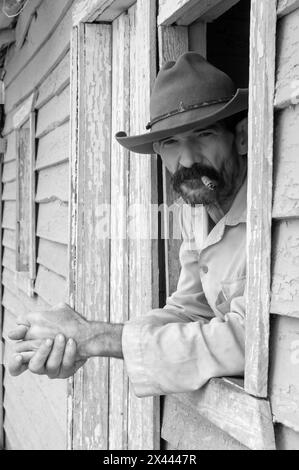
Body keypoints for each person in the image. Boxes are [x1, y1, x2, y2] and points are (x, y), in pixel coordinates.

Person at [8, 52, 249, 397]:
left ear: (240, 137)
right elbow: (190, 309)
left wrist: (97, 337)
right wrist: (79, 338)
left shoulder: (272, 214)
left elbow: (248, 338)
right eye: (170, 143)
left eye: (204, 134)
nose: (188, 160)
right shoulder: (194, 210)